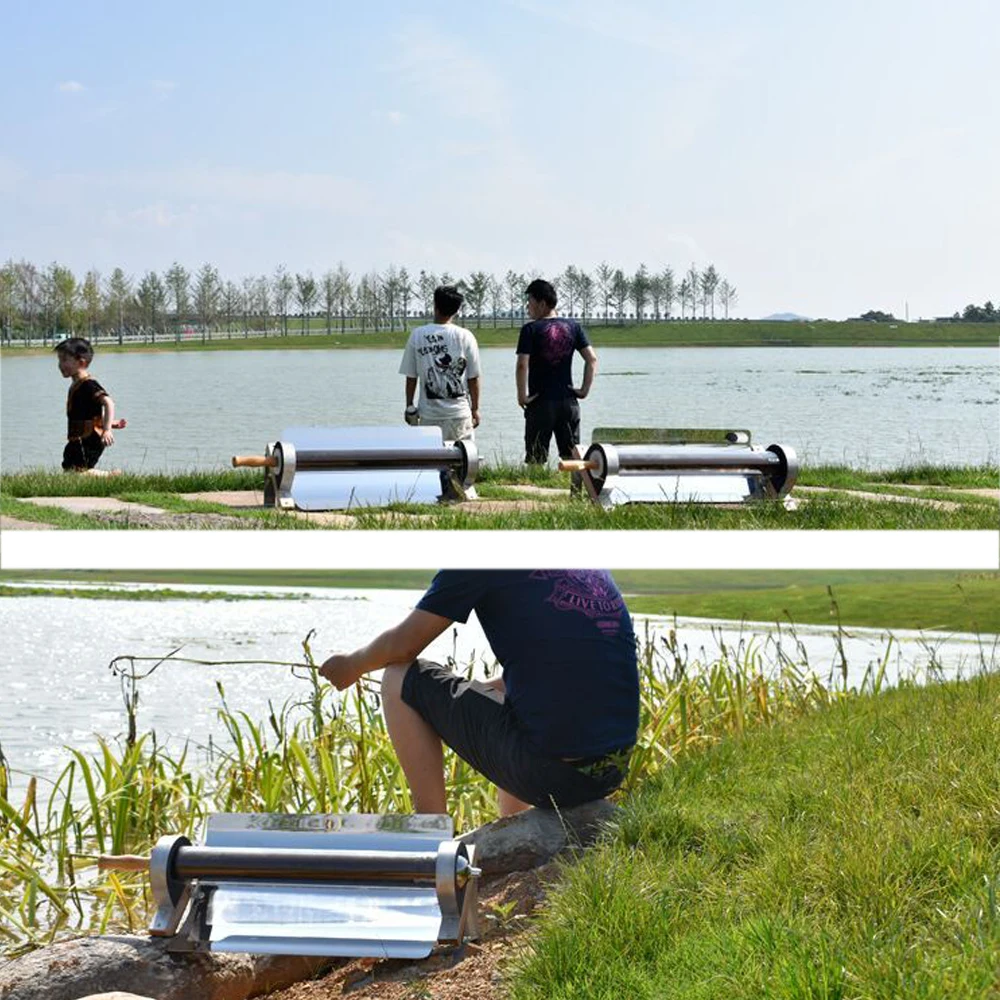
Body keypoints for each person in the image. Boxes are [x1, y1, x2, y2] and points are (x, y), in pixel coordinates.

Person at [319, 570, 639, 816]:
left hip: (552, 777)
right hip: (611, 770)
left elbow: (403, 646)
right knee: (512, 702)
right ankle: (513, 833)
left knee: (398, 677)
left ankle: (432, 834)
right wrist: (456, 707)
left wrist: (352, 665)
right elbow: (554, 679)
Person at [516, 279, 597, 475]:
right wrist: (584, 390)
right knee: (571, 457)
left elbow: (521, 365)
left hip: (540, 402)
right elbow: (592, 359)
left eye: (530, 302)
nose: (528, 307)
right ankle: (572, 491)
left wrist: (522, 396)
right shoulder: (573, 327)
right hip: (568, 402)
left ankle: (535, 493)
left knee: (536, 458)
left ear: (542, 303)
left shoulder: (530, 329)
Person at [399, 286, 481, 442]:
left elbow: (411, 377)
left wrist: (410, 407)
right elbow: (473, 378)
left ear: (435, 306)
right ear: (456, 311)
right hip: (459, 415)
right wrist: (475, 409)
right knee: (463, 460)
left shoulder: (418, 335)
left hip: (429, 416)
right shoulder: (465, 336)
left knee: (431, 461)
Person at [54, 337, 124, 473]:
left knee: (79, 472)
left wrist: (107, 429)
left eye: (64, 360)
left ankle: (109, 476)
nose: (60, 365)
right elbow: (90, 411)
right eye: (59, 360)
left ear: (81, 362)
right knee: (69, 469)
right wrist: (107, 422)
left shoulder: (88, 384)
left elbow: (108, 402)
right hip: (77, 437)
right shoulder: (76, 384)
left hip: (90, 437)